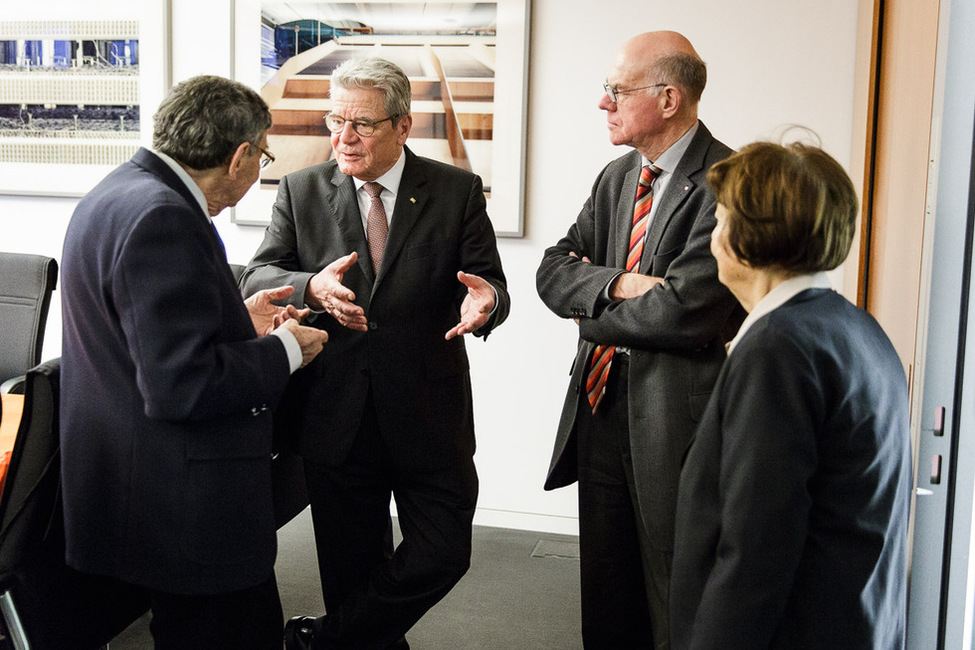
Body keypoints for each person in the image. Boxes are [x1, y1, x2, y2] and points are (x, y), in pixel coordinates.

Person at [239, 56, 509, 649]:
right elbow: (257, 274)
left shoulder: (454, 190)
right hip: (337, 416)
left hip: (429, 415)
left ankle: (322, 641)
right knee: (351, 574)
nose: (343, 137)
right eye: (335, 121)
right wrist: (311, 286)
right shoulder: (302, 188)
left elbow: (490, 283)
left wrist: (486, 304)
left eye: (361, 124)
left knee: (443, 553)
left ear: (403, 127)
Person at [60, 75, 328, 649]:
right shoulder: (167, 217)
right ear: (240, 156)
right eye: (264, 154)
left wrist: (237, 314)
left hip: (133, 488)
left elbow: (144, 335)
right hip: (187, 510)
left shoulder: (116, 193)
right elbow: (183, 386)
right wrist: (285, 350)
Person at [536, 31, 744, 649]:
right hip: (601, 407)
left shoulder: (727, 182)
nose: (605, 103)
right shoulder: (618, 176)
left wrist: (589, 309)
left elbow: (686, 313)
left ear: (670, 98)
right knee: (606, 593)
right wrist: (625, 284)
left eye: (617, 91)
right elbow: (552, 268)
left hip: (673, 420)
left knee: (673, 592)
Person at [669, 141, 912, 649]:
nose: (712, 240)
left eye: (719, 221)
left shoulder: (777, 349)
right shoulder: (857, 329)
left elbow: (756, 549)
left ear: (746, 237)